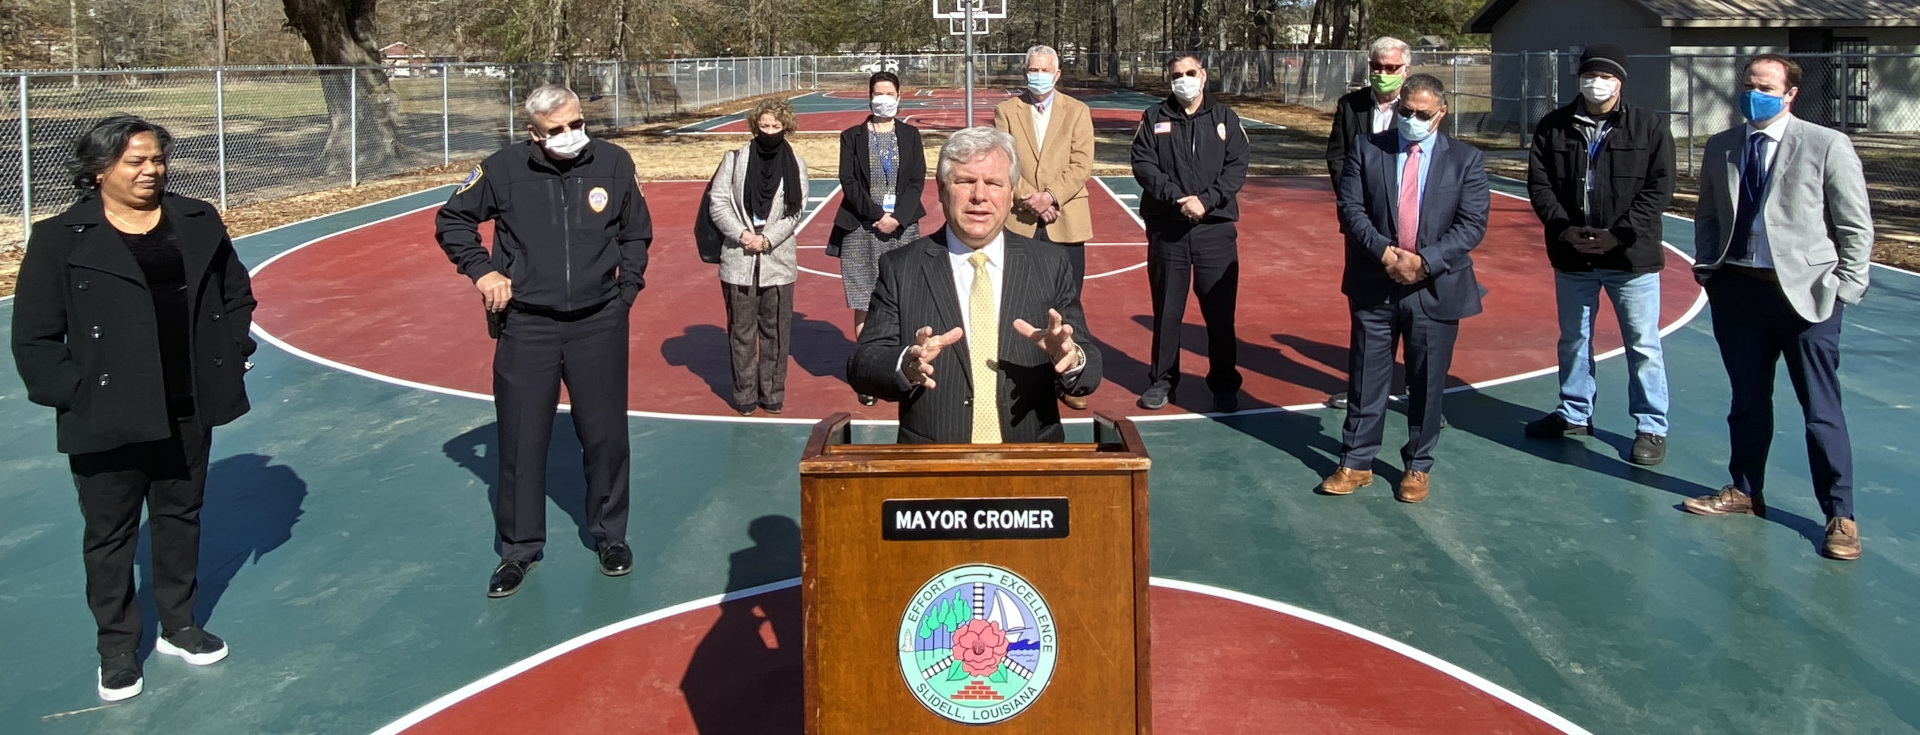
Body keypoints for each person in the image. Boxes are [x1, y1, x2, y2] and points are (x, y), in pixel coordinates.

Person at [12, 115, 253, 701]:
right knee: (110, 535)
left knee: (179, 517)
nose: (151, 171)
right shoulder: (60, 237)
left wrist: (230, 350)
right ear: (100, 170)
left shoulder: (196, 220)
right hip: (106, 413)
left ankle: (180, 625)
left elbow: (235, 294)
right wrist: (77, 394)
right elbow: (35, 337)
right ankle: (117, 649)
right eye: (135, 161)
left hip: (186, 404)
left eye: (157, 160)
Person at [436, 84, 653, 597]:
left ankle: (610, 535)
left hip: (598, 321)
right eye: (557, 129)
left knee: (604, 435)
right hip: (527, 325)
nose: (571, 134)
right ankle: (519, 549)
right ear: (533, 133)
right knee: (520, 438)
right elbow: (452, 221)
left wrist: (625, 293)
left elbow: (636, 233)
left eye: (576, 123)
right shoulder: (502, 169)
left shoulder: (614, 163)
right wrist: (483, 272)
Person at [1686, 54, 1875, 561]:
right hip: (1738, 292)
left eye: (1766, 87)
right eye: (1748, 84)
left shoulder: (1826, 144)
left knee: (1821, 411)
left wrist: (1846, 288)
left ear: (1790, 93)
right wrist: (1709, 268)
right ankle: (1745, 490)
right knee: (1747, 401)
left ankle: (1840, 515)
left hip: (1806, 298)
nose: (1754, 94)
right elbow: (1707, 213)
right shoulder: (1722, 145)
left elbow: (1855, 225)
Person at [847, 127, 1103, 443]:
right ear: (942, 189)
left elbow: (1090, 370)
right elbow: (863, 364)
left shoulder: (1050, 263)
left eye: (993, 183)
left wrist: (1072, 359)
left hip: (1031, 460)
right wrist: (905, 365)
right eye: (965, 181)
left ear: (1012, 193)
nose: (979, 195)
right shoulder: (900, 267)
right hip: (934, 462)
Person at [1322, 74, 1488, 504]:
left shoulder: (1465, 159)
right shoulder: (1367, 148)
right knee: (1366, 377)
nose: (1412, 119)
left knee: (1427, 383)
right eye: (1406, 112)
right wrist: (1384, 253)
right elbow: (1351, 208)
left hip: (1434, 288)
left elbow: (1471, 224)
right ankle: (1356, 462)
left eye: (1422, 114)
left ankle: (1417, 465)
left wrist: (1423, 262)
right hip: (1375, 282)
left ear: (1441, 113)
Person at [1524, 44, 1675, 465]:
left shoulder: (1648, 126)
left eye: (1606, 76)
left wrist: (1619, 235)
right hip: (1573, 255)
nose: (1597, 83)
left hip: (1631, 259)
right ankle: (1574, 412)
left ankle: (1650, 425)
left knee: (1642, 344)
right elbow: (1540, 184)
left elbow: (1659, 188)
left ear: (1620, 81)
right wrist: (1563, 228)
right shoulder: (1553, 126)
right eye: (1590, 74)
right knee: (1574, 338)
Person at [1130, 53, 1250, 413]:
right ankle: (1162, 381)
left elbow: (1237, 165)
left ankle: (1224, 383)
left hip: (1215, 229)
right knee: (1167, 311)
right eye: (1176, 75)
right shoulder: (1154, 117)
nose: (1184, 79)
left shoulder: (1225, 117)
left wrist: (1206, 201)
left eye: (1190, 72)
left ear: (1203, 75)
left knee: (1220, 313)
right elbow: (1143, 165)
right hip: (1168, 229)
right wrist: (1177, 198)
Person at [994, 44, 1098, 411]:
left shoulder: (1077, 111)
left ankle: (1069, 379)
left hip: (1065, 219)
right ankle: (1026, 377)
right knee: (1020, 301)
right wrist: (1031, 199)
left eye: (1044, 70)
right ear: (1025, 73)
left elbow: (1082, 163)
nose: (1037, 75)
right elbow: (1004, 160)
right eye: (1032, 70)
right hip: (1021, 220)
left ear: (1057, 74)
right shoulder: (1006, 111)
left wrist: (1051, 196)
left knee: (1067, 305)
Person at [1323, 36, 1412, 412]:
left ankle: (1418, 395)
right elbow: (1337, 158)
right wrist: (1357, 203)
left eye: (1391, 67)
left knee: (1414, 310)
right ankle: (1363, 390)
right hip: (1362, 225)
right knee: (1365, 309)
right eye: (1377, 66)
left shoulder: (1419, 106)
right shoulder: (1351, 106)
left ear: (1405, 70)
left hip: (1410, 223)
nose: (1383, 73)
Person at [832, 72, 928, 406]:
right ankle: (869, 375)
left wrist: (897, 217)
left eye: (889, 93)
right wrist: (876, 215)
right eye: (877, 93)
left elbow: (917, 180)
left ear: (899, 97)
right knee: (864, 304)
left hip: (903, 229)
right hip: (861, 229)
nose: (883, 98)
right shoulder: (851, 136)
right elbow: (848, 181)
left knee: (904, 301)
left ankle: (905, 369)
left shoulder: (911, 135)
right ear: (869, 97)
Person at [709, 98, 808, 416]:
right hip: (739, 260)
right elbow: (718, 202)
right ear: (755, 126)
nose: (769, 131)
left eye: (775, 126)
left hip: (777, 262)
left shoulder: (796, 164)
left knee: (776, 333)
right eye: (764, 125)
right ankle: (744, 394)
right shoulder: (734, 160)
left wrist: (767, 240)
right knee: (741, 332)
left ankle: (773, 392)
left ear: (785, 127)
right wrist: (742, 235)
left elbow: (795, 211)